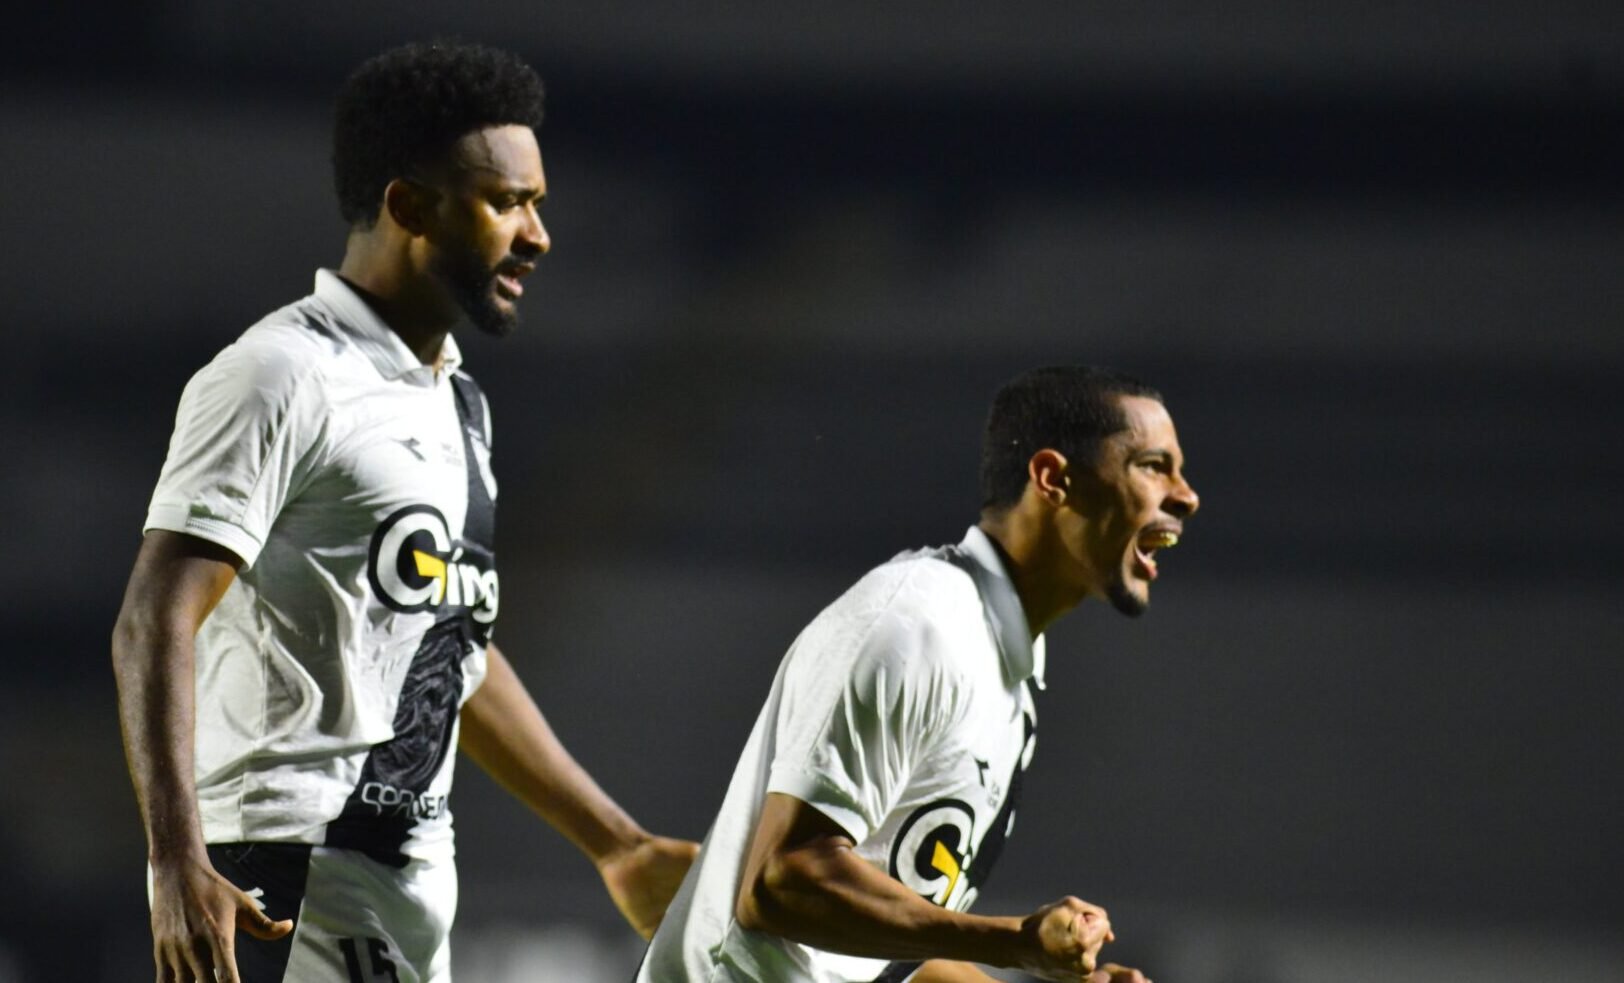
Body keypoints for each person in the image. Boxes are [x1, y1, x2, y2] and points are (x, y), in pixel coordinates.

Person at [111, 40, 697, 983]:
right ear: (408, 207)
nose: (538, 235)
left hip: (404, 880)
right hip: (276, 878)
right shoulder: (280, 374)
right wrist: (176, 858)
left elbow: (452, 643)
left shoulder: (456, 400)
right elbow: (154, 613)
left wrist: (615, 840)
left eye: (537, 203)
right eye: (508, 203)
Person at [636, 366, 1200, 983]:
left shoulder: (1006, 665)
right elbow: (782, 882)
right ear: (1052, 479)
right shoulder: (919, 625)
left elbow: (889, 948)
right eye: (1153, 465)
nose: (1186, 495)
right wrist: (1016, 940)